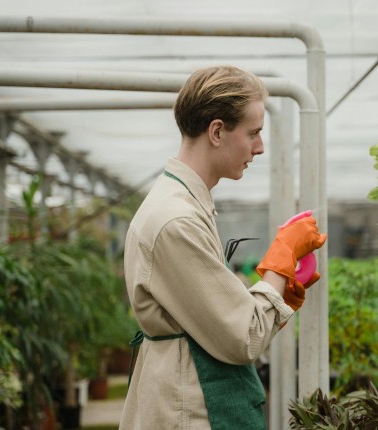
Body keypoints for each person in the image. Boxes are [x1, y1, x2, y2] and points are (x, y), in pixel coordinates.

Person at [119, 65, 326, 430]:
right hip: (190, 409)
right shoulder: (176, 221)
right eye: (254, 133)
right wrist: (280, 260)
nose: (259, 148)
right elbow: (243, 337)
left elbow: (222, 316)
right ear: (217, 131)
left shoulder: (183, 204)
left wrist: (281, 289)